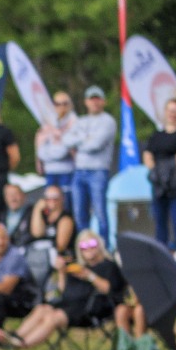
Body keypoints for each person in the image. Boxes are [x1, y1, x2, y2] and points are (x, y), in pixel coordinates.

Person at [0, 232, 124, 349]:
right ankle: (16, 336)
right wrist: (62, 272)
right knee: (42, 309)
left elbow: (109, 289)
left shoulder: (109, 266)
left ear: (99, 244)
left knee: (53, 317)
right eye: (84, 246)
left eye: (92, 244)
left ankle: (23, 345)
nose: (89, 248)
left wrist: (89, 276)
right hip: (68, 304)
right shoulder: (75, 266)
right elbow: (62, 292)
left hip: (90, 309)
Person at [66, 86, 117, 241]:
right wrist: (86, 138)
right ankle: (84, 246)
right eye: (91, 99)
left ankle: (104, 247)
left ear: (103, 101)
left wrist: (78, 141)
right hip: (79, 171)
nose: (94, 102)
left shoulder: (108, 121)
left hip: (98, 171)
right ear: (86, 102)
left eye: (97, 99)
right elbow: (66, 140)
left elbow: (95, 145)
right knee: (79, 212)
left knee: (100, 211)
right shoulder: (81, 121)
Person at [145, 98, 176, 259]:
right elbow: (147, 155)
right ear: (165, 113)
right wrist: (157, 173)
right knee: (160, 218)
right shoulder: (156, 135)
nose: (173, 113)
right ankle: (161, 251)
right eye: (170, 110)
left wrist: (166, 171)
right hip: (159, 182)